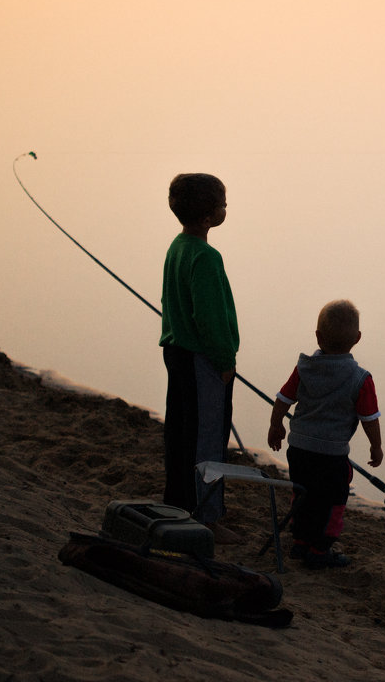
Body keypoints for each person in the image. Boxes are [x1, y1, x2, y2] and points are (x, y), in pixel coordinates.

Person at [267, 299, 382, 569]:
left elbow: (283, 399)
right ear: (357, 338)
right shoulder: (360, 378)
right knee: (332, 499)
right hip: (331, 454)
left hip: (299, 449)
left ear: (317, 336)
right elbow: (370, 419)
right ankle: (320, 549)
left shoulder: (304, 367)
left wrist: (276, 425)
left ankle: (301, 542)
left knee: (303, 491)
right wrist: (376, 447)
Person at [159, 173, 242, 544]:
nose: (227, 208)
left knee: (180, 434)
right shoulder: (207, 257)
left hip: (176, 354)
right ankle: (206, 518)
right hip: (201, 360)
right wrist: (225, 362)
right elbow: (209, 318)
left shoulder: (177, 247)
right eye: (222, 204)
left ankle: (178, 504)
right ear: (209, 217)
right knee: (207, 439)